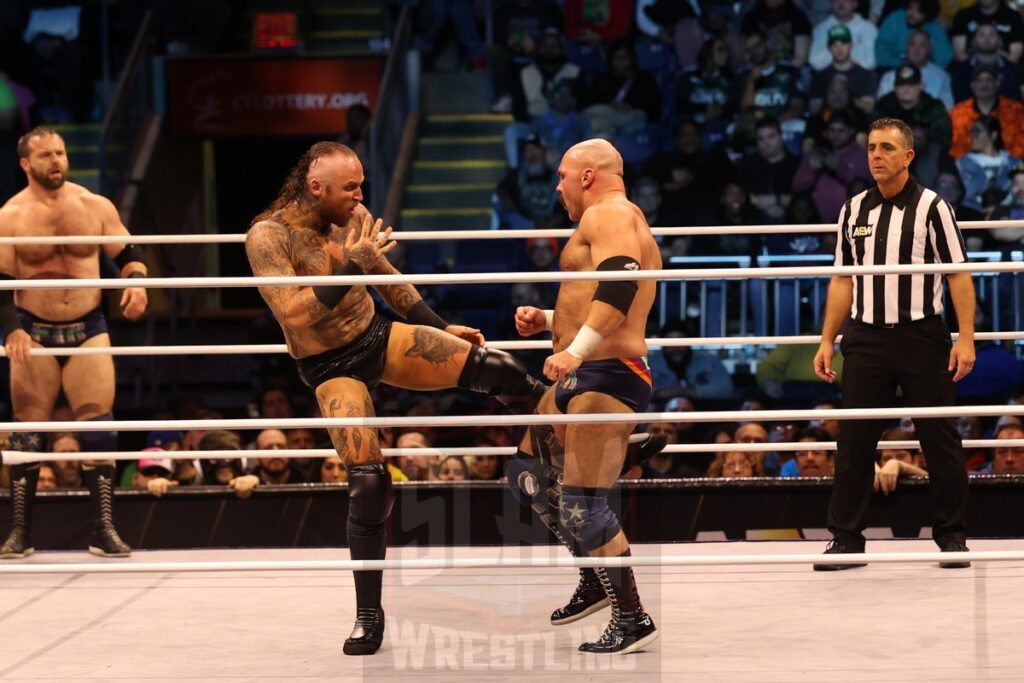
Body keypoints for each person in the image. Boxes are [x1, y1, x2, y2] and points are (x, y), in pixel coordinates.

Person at [245, 141, 546, 656]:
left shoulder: (351, 216)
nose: (361, 196)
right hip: (328, 365)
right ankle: (369, 615)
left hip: (377, 336)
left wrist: (438, 325)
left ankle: (589, 432)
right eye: (350, 187)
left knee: (499, 369)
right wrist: (353, 267)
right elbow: (294, 314)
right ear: (316, 187)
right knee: (367, 483)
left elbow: (389, 280)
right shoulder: (268, 236)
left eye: (361, 184)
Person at [511, 138, 659, 654]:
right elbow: (599, 295)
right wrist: (551, 323)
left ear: (589, 175)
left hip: (606, 373)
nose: (557, 187)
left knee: (582, 503)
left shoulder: (611, 213)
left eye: (562, 176)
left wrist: (573, 350)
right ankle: (596, 578)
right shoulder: (605, 220)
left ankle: (633, 617)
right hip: (585, 368)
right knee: (528, 477)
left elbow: (621, 287)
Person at [813, 117, 976, 571]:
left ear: (908, 157)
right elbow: (842, 279)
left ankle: (952, 536)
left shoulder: (932, 207)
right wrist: (827, 339)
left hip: (922, 334)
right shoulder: (853, 210)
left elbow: (958, 273)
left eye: (886, 148)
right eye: (870, 147)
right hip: (865, 337)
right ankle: (845, 539)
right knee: (854, 442)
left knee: (939, 437)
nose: (876, 155)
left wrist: (965, 337)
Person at [0, 126, 148, 559]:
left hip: (89, 325)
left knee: (97, 419)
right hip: (34, 328)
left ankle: (103, 528)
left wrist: (137, 283)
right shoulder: (10, 216)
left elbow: (128, 253)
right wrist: (11, 328)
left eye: (60, 152)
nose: (57, 161)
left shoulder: (94, 205)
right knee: (29, 424)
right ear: (26, 164)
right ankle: (20, 531)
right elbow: (2, 280)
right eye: (45, 155)